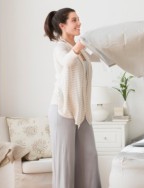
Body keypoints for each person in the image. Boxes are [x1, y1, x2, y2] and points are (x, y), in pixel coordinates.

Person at [44, 7, 101, 188]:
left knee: (89, 156)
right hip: (63, 110)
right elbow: (67, 61)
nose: (79, 23)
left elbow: (98, 58)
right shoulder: (60, 48)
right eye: (74, 20)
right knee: (65, 161)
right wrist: (80, 44)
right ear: (62, 25)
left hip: (82, 111)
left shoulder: (81, 50)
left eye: (78, 19)